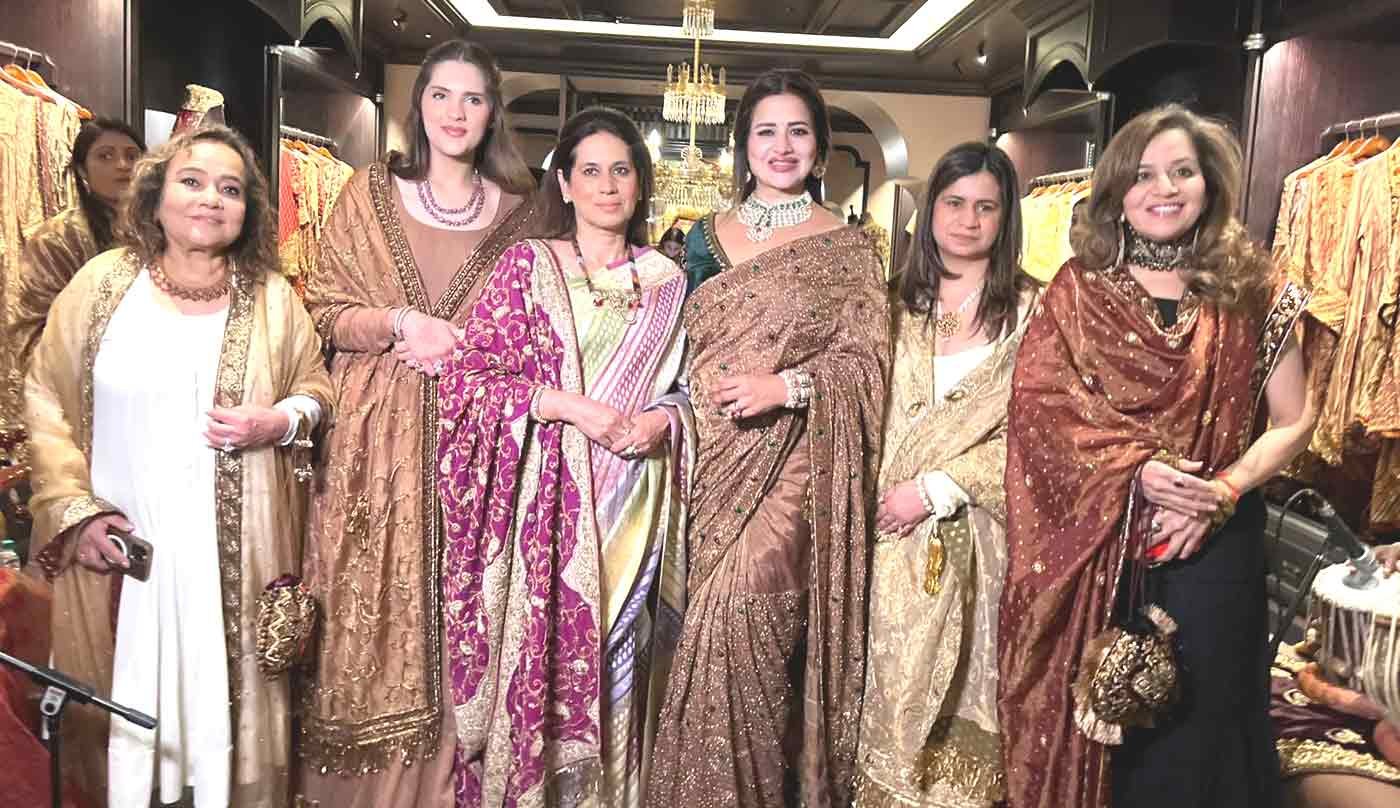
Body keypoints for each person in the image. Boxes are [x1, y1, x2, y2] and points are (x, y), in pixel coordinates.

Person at [997, 104, 1315, 808]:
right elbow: (1040, 417)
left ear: (1210, 184)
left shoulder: (1253, 291)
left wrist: (1221, 493)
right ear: (1116, 190)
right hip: (1103, 547)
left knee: (1205, 737)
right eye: (1143, 175)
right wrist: (1134, 469)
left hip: (1216, 551)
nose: (1164, 189)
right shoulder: (1077, 292)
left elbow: (1296, 420)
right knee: (1109, 734)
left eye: (1182, 172)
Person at [23, 124, 333, 807]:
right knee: (117, 734)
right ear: (155, 194)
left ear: (248, 210)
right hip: (122, 555)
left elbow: (317, 388)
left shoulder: (274, 298)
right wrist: (78, 514)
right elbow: (44, 396)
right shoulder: (101, 285)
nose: (210, 199)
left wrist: (280, 420)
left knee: (226, 738)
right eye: (192, 181)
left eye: (230, 189)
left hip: (233, 562)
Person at [298, 39, 537, 807]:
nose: (455, 113)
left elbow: (540, 332)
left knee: (467, 608)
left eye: (473, 98)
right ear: (419, 104)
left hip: (480, 446)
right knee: (366, 609)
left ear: (492, 112)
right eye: (441, 95)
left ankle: (453, 782)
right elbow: (323, 310)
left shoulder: (525, 212)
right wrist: (400, 322)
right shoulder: (366, 193)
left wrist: (471, 350)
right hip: (372, 445)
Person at [436, 105, 692, 808]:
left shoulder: (669, 282)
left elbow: (688, 388)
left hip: (634, 499)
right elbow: (469, 381)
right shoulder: (530, 266)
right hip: (545, 508)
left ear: (639, 184)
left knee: (621, 655)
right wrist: (570, 406)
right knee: (546, 654)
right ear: (566, 185)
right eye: (591, 171)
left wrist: (664, 419)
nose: (607, 185)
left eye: (621, 171)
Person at [647, 67, 891, 807]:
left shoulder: (848, 248)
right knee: (693, 630)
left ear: (820, 148)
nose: (781, 147)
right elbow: (671, 348)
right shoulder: (700, 238)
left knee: (742, 624)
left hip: (792, 468)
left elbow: (868, 365)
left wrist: (787, 387)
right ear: (742, 144)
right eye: (765, 131)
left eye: (798, 131)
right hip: (704, 462)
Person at [854, 142, 1037, 807]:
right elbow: (859, 413)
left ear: (1006, 217)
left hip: (977, 544)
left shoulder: (1034, 314)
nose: (968, 220)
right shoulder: (890, 306)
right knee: (885, 696)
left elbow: (1043, 440)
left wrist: (937, 488)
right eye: (955, 203)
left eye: (986, 207)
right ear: (930, 210)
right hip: (883, 545)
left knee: (958, 709)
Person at [13, 118, 146, 371]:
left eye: (132, 156)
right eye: (105, 156)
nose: (123, 165)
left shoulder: (164, 229)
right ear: (83, 170)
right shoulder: (58, 238)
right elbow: (34, 329)